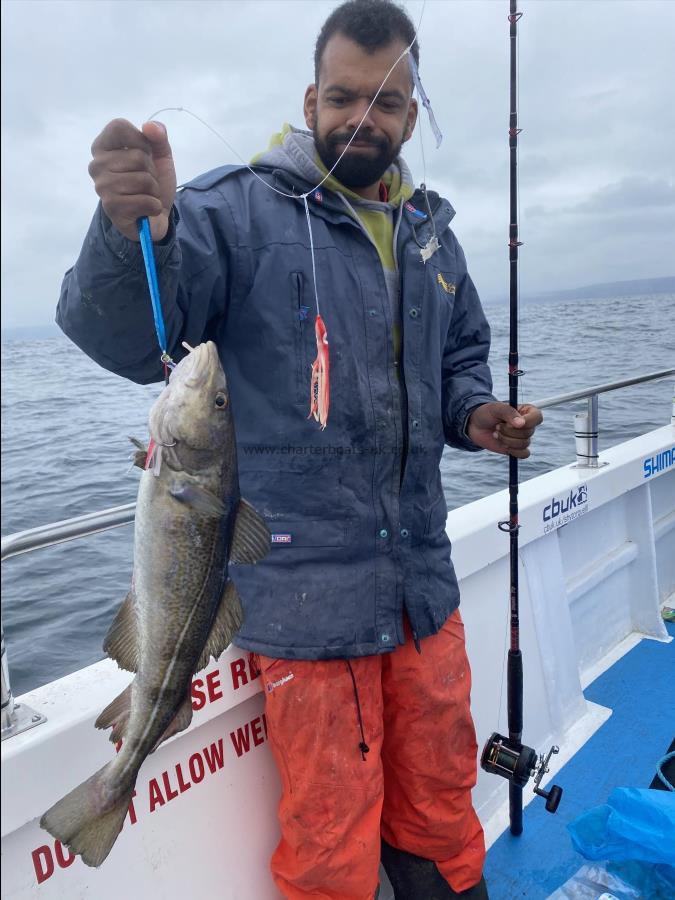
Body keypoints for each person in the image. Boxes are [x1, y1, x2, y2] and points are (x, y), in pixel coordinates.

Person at [57, 1, 543, 897]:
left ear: (412, 107)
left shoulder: (430, 233)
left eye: (388, 102)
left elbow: (458, 360)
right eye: (344, 97)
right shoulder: (230, 213)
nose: (364, 118)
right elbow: (128, 339)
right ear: (309, 97)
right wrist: (140, 232)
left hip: (421, 592)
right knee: (329, 840)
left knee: (442, 804)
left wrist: (475, 414)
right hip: (306, 609)